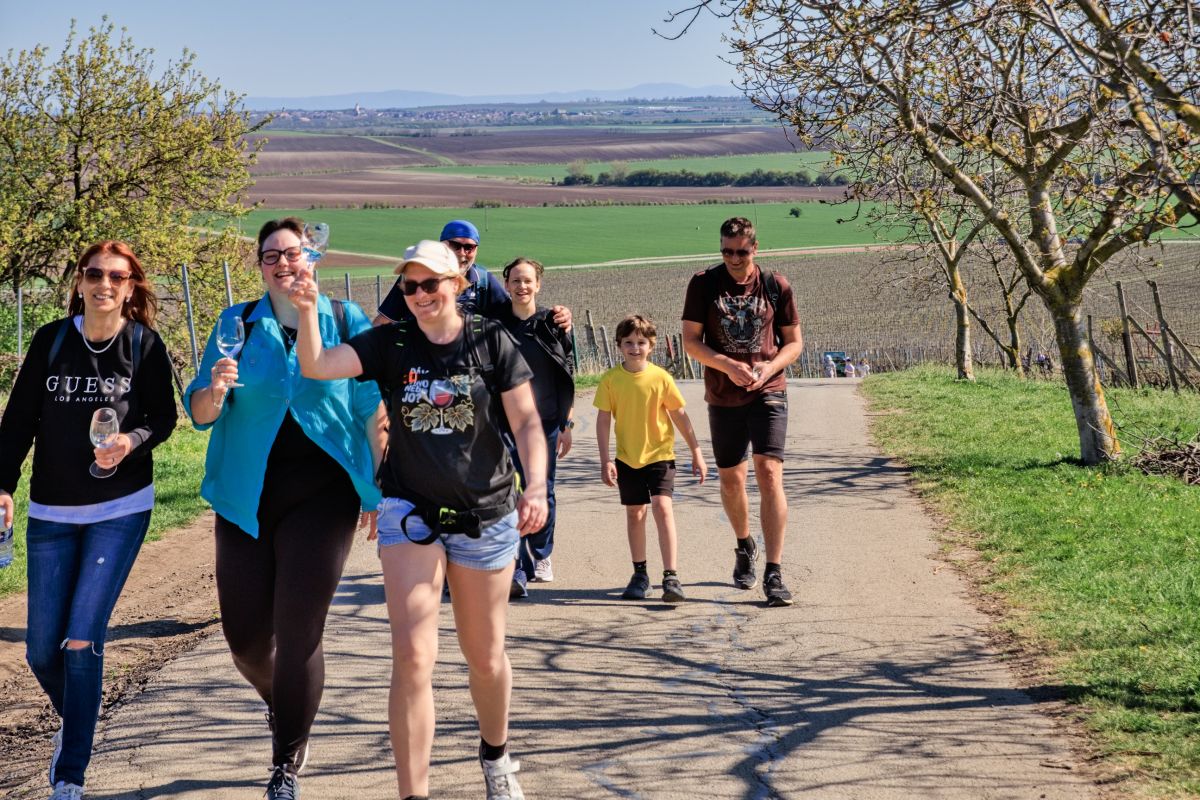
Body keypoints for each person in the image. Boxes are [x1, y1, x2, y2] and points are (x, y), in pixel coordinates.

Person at [290, 239, 548, 800]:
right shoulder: (392, 342)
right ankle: (414, 794)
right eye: (409, 286)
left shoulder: (490, 339)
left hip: (486, 510)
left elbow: (527, 422)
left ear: (457, 282)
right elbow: (317, 365)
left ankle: (496, 754)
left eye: (431, 283)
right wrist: (309, 310)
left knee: (484, 657)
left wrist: (538, 488)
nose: (420, 295)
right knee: (411, 654)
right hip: (410, 509)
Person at [183, 218, 386, 800]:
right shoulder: (237, 323)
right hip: (245, 495)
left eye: (292, 253)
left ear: (311, 258)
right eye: (271, 255)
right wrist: (215, 392)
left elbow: (373, 409)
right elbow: (199, 412)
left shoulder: (347, 321)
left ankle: (285, 762)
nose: (282, 263)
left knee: (299, 633)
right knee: (246, 640)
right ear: (261, 266)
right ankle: (287, 703)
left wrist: (379, 490)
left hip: (325, 497)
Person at [0, 241, 178, 800]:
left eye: (117, 277)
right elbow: (17, 421)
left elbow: (164, 418)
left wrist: (131, 441)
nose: (105, 283)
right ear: (79, 281)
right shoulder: (52, 340)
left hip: (119, 509)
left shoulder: (144, 344)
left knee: (81, 640)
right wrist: (2, 486)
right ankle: (83, 716)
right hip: (50, 511)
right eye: (94, 273)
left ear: (131, 288)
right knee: (38, 649)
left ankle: (70, 774)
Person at [682, 217, 803, 608]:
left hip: (768, 390)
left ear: (756, 249)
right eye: (727, 251)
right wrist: (727, 366)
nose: (734, 258)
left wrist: (769, 367)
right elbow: (690, 342)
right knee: (732, 481)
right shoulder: (703, 283)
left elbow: (794, 343)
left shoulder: (775, 285)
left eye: (742, 251)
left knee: (769, 472)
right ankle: (743, 544)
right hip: (723, 394)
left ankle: (774, 571)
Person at [595, 315, 707, 603]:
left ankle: (671, 576)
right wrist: (606, 459)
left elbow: (679, 415)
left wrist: (696, 451)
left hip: (660, 455)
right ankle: (640, 574)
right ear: (619, 345)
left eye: (641, 342)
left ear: (651, 345)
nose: (635, 348)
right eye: (629, 343)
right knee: (635, 513)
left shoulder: (660, 378)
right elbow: (603, 420)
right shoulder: (610, 380)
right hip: (627, 459)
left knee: (662, 507)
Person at [497, 257, 575, 599]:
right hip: (502, 424)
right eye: (515, 280)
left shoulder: (551, 324)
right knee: (505, 492)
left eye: (528, 281)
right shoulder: (495, 326)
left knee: (543, 490)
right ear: (506, 284)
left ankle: (540, 557)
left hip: (545, 423)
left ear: (538, 285)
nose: (522, 286)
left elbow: (566, 374)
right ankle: (513, 562)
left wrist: (567, 422)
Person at [372, 219, 573, 334]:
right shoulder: (416, 279)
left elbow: (516, 314)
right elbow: (382, 322)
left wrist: (555, 317)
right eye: (455, 245)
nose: (462, 253)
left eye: (469, 247)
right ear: (443, 245)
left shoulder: (483, 281)